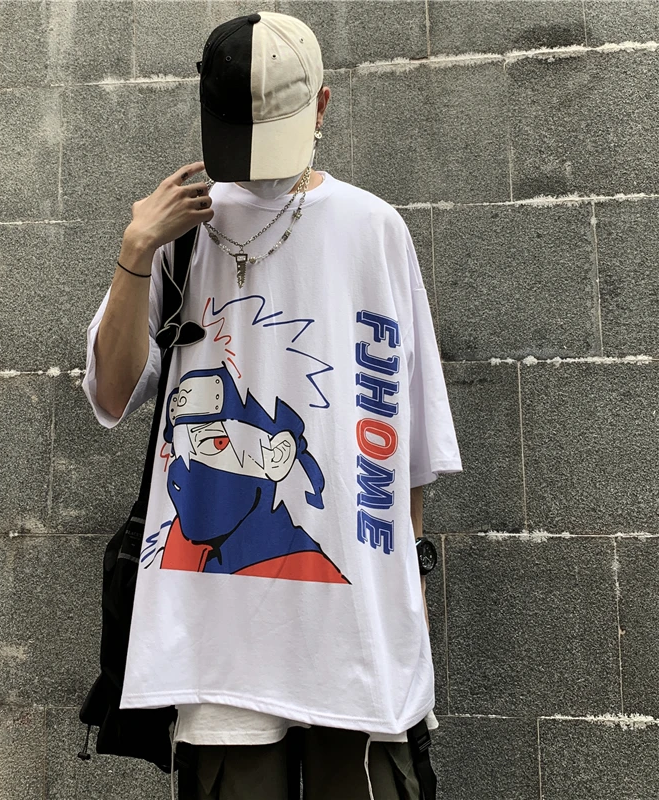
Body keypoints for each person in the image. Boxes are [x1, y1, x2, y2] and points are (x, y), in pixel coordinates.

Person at [82, 11, 462, 800]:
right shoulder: (178, 235)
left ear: (322, 105)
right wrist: (134, 252)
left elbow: (407, 433)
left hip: (355, 637)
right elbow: (112, 395)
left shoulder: (372, 230)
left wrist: (411, 576)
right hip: (216, 647)